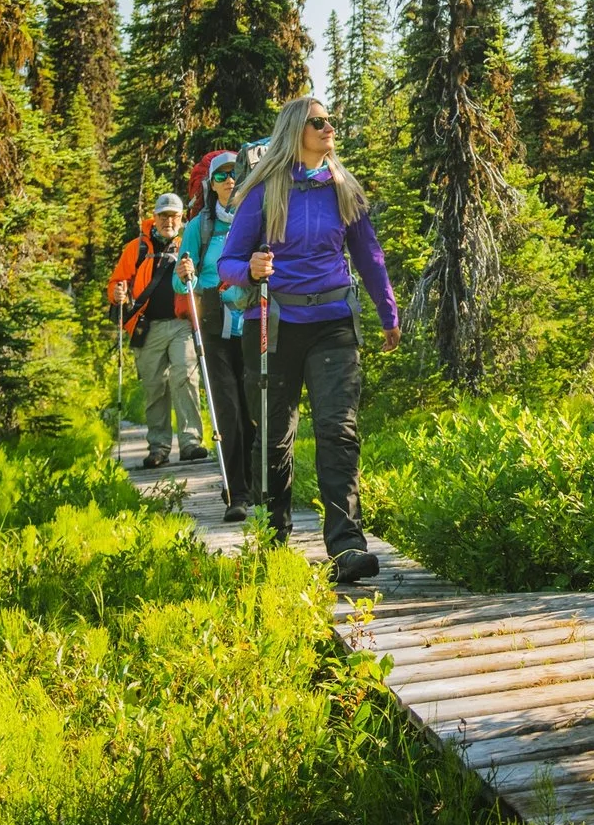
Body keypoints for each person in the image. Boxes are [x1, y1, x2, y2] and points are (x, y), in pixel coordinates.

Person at [218, 96, 400, 582]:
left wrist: (388, 313)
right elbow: (227, 264)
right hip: (273, 324)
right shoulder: (264, 189)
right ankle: (273, 540)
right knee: (275, 438)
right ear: (296, 129)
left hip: (334, 324)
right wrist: (251, 268)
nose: (328, 128)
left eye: (331, 122)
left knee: (338, 431)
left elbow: (369, 253)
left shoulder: (343, 188)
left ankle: (346, 547)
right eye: (318, 122)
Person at [176, 149, 255, 522]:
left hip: (254, 322)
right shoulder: (198, 227)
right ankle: (236, 492)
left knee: (254, 408)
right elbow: (181, 282)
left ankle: (255, 486)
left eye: (234, 174)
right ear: (211, 184)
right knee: (229, 410)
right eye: (221, 176)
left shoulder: (254, 218)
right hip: (214, 325)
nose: (229, 181)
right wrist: (185, 272)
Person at [110, 193, 208, 470]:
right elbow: (118, 281)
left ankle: (190, 442)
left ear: (181, 218)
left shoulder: (188, 243)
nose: (168, 221)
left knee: (186, 376)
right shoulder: (137, 248)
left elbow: (208, 274)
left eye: (174, 216)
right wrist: (118, 293)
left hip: (182, 324)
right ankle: (159, 447)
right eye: (163, 215)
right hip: (148, 325)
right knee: (154, 386)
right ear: (155, 217)